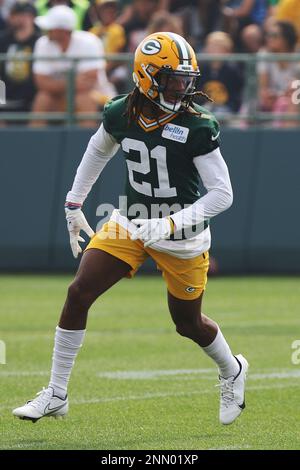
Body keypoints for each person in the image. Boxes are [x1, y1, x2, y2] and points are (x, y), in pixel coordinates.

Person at [12, 32, 248, 425]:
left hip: (183, 236)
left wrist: (171, 223)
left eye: (187, 78)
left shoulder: (198, 125)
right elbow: (96, 152)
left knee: (187, 323)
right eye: (173, 78)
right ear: (146, 77)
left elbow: (223, 195)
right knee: (78, 292)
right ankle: (55, 392)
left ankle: (232, 369)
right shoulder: (120, 112)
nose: (183, 86)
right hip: (131, 222)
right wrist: (73, 203)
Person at [31, 5, 114, 127]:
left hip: (97, 95)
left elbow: (89, 82)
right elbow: (41, 82)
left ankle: (87, 143)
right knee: (42, 98)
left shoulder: (89, 41)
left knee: (84, 98)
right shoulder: (42, 43)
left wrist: (55, 83)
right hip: (59, 96)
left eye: (50, 28)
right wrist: (72, 82)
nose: (46, 30)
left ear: (62, 31)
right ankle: (35, 143)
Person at [0, 1, 40, 120]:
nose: (21, 19)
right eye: (17, 14)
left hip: (31, 96)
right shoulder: (3, 40)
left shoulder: (40, 41)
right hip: (6, 94)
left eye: (25, 15)